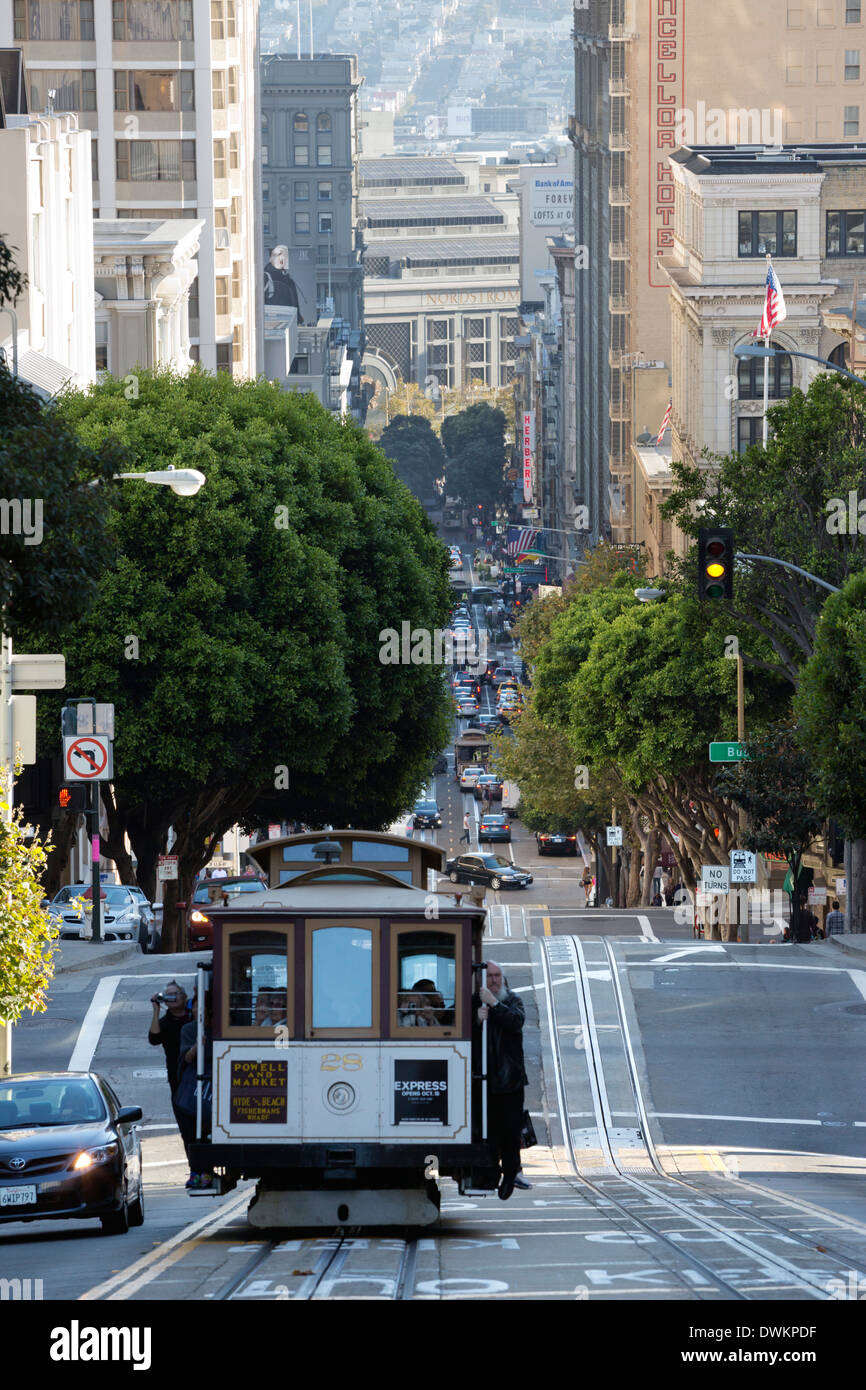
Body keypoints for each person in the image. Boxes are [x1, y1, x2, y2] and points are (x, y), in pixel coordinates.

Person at [476, 960, 528, 1201]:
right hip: (482, 1080)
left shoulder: (512, 1001)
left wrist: (494, 1004)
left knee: (510, 1131)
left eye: (498, 976)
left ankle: (510, 1174)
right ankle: (491, 1171)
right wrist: (477, 1020)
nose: (494, 981)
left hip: (509, 1081)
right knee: (489, 1129)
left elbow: (516, 1022)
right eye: (490, 976)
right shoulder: (474, 1003)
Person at [148, 981, 193, 1171]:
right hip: (179, 1080)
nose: (172, 998)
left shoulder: (194, 1017)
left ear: (184, 997)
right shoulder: (165, 1022)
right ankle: (195, 1169)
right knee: (186, 1127)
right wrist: (156, 1011)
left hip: (199, 1074)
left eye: (175, 994)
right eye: (168, 995)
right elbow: (154, 1039)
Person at [176, 990, 214, 1190]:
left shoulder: (218, 1028)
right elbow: (187, 1059)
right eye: (197, 1005)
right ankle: (196, 1171)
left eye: (204, 1006)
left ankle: (208, 1171)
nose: (200, 1009)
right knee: (191, 1131)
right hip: (193, 1087)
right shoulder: (189, 1030)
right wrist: (198, 1046)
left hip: (213, 1085)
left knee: (208, 1129)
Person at [263, 245, 306, 321]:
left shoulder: (285, 277)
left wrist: (298, 316)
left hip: (283, 318)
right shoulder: (268, 276)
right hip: (277, 318)